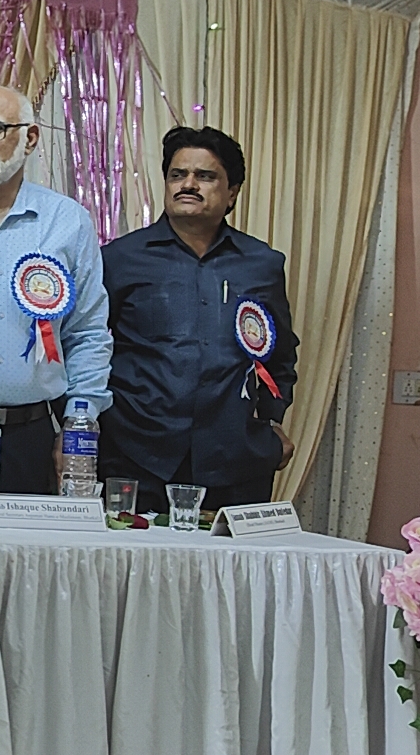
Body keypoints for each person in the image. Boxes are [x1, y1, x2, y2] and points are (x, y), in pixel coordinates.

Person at [100, 125, 298, 515]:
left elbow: (281, 353)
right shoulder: (120, 259)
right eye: (178, 174)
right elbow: (88, 345)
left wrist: (272, 420)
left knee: (230, 556)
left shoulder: (262, 263)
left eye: (204, 176)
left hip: (236, 458)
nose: (188, 184)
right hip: (136, 454)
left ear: (232, 192)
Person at [0, 85, 110, 494]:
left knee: (26, 539)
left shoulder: (67, 221)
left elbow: (87, 332)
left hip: (30, 437)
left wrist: (79, 425)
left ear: (30, 138)